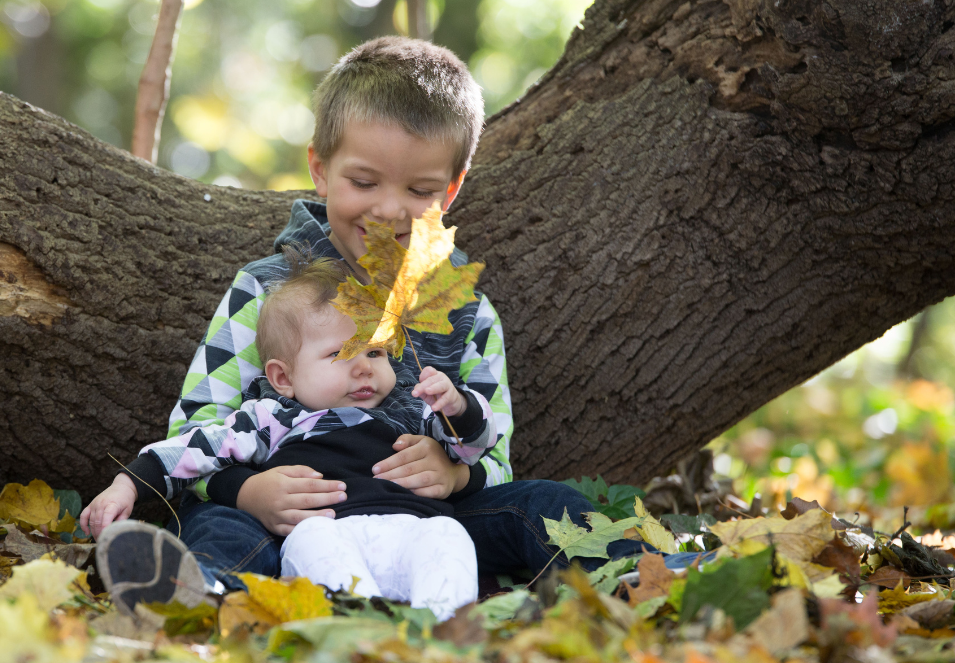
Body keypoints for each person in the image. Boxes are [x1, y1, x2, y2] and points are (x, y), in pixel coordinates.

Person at [84, 36, 653, 612]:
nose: (388, 209)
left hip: (429, 525)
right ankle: (199, 592)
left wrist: (455, 478)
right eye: (364, 182)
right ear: (321, 170)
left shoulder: (467, 312)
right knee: (224, 525)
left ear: (450, 191)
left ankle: (635, 579)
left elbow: (496, 450)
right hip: (292, 521)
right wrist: (247, 489)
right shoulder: (264, 289)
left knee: (544, 505)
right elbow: (200, 424)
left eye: (420, 190)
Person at [95, 251, 493, 621]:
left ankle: (444, 638)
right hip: (329, 531)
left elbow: (474, 448)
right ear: (283, 378)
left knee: (448, 535)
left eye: (374, 351)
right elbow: (193, 449)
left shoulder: (412, 409)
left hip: (413, 529)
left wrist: (458, 406)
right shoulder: (272, 418)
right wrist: (126, 485)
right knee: (311, 540)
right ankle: (350, 630)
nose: (364, 369)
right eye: (340, 354)